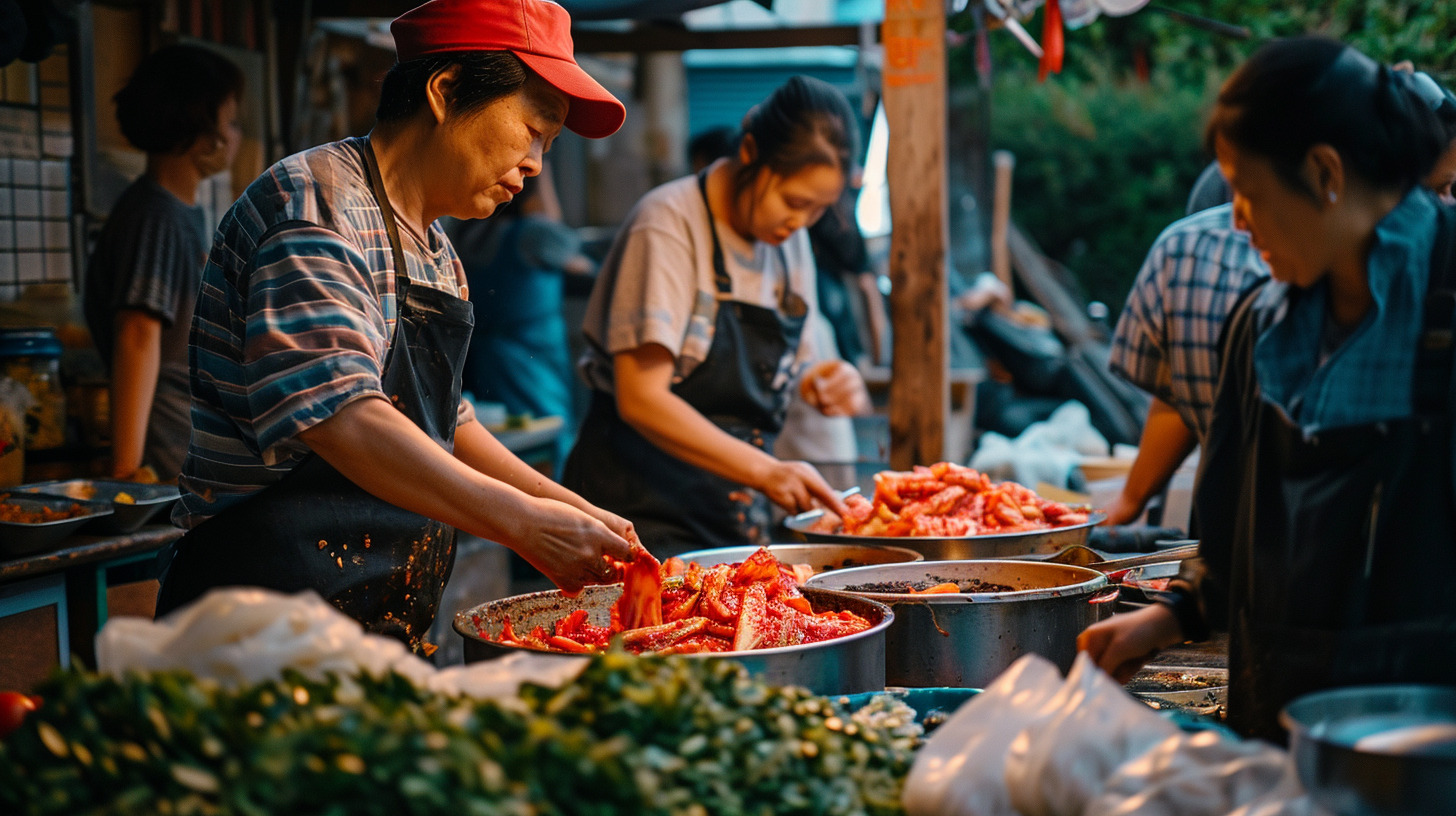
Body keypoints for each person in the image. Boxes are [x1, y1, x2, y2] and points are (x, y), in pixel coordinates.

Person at [155, 0, 637, 651]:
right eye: (532, 129)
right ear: (444, 92)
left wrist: (573, 510)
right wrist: (522, 524)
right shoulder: (317, 203)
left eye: (547, 147)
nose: (535, 165)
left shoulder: (437, 251)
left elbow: (448, 422)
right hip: (260, 621)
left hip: (370, 626)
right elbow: (340, 415)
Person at [1080, 37, 1456, 741]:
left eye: (1247, 192)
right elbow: (1223, 553)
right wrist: (1160, 622)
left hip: (1424, 756)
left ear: (1324, 174)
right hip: (1273, 740)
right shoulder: (1259, 326)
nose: (1239, 220)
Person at [1102, 65, 1456, 528]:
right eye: (1438, 190)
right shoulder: (1263, 325)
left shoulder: (1423, 327)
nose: (1238, 227)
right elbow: (1240, 560)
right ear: (1335, 180)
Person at [565, 75, 872, 556]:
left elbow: (800, 366)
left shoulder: (791, 242)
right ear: (750, 151)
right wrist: (767, 471)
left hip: (730, 513)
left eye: (817, 211)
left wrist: (828, 379)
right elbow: (641, 397)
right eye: (794, 203)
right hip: (638, 512)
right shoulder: (667, 225)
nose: (801, 223)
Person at [83, 45, 243, 483]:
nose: (235, 135)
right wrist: (126, 470)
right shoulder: (155, 217)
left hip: (189, 452)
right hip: (166, 459)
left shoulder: (177, 212)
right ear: (200, 131)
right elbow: (137, 334)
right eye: (229, 121)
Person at [445, 163, 592, 471]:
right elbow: (567, 244)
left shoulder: (466, 232)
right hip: (532, 357)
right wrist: (544, 177)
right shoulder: (534, 234)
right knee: (548, 436)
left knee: (499, 440)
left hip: (483, 356)